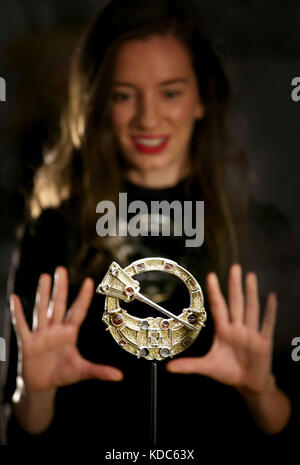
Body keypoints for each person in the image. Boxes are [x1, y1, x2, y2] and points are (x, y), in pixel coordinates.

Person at [3, 0, 297, 452]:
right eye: (124, 95)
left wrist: (262, 393)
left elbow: (287, 424)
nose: (148, 118)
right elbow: (22, 431)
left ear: (203, 98)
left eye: (171, 92)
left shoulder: (264, 232)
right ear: (99, 103)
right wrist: (35, 391)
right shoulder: (53, 233)